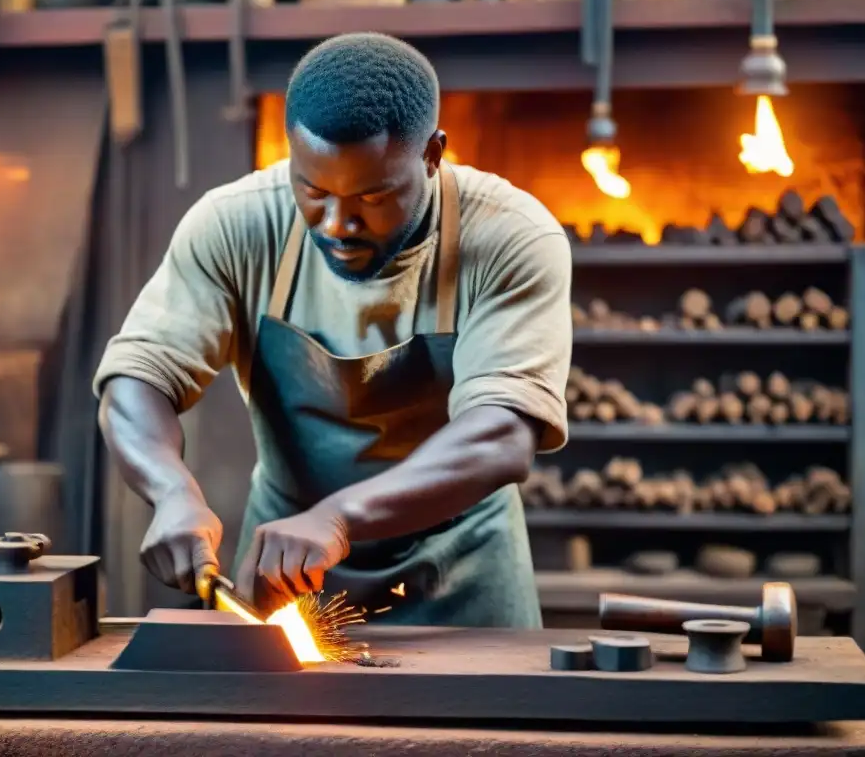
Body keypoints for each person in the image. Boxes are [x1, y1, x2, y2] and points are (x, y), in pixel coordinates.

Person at [94, 32, 572, 628]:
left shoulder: (510, 237)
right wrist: (171, 491)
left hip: (463, 564)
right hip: (285, 570)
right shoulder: (237, 223)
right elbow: (138, 377)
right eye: (313, 191)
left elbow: (501, 434)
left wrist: (340, 518)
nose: (339, 224)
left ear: (432, 155)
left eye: (373, 196)